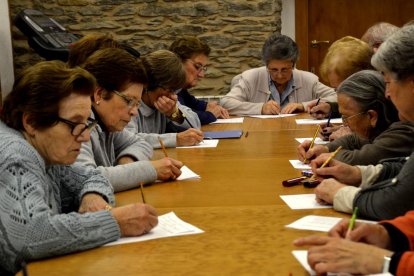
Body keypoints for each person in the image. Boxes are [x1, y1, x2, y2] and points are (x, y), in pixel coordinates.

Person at [0, 61, 158, 275]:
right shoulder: (15, 153)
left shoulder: (45, 149)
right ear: (31, 121)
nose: (84, 137)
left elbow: (91, 177)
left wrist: (91, 195)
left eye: (86, 124)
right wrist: (115, 222)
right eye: (75, 124)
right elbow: (30, 235)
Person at [308, 25, 414, 221]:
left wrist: (340, 193)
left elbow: (396, 201)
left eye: (388, 81)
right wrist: (358, 173)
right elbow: (404, 168)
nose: (387, 93)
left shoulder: (405, 128)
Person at [76, 48, 183, 192]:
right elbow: (84, 179)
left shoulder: (107, 122)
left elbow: (140, 143)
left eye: (137, 103)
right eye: (129, 101)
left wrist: (128, 162)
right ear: (99, 94)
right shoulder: (77, 123)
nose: (134, 112)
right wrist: (149, 170)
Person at [298, 70, 414, 166]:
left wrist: (327, 156)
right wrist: (325, 149)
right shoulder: (378, 127)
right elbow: (355, 139)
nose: (344, 124)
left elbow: (364, 158)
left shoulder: (404, 131)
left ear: (372, 116)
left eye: (347, 117)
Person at [220, 33, 336, 115]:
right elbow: (226, 103)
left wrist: (303, 106)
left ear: (294, 65)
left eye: (285, 69)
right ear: (266, 65)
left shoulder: (308, 80)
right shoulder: (251, 78)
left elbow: (338, 97)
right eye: (274, 70)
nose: (279, 75)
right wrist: (260, 108)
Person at [127, 49, 204, 148]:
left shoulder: (168, 100)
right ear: (148, 83)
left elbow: (196, 125)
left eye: (175, 90)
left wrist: (174, 114)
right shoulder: (130, 103)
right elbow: (129, 139)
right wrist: (175, 139)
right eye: (169, 89)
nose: (173, 96)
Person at [308, 36, 374, 141]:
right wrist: (332, 110)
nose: (338, 96)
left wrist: (352, 138)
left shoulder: (383, 104)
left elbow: (380, 144)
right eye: (336, 90)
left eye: (342, 89)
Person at [169, 36, 229, 125]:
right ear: (178, 61)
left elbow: (193, 104)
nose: (201, 75)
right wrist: (210, 114)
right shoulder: (165, 88)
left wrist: (208, 107)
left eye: (203, 69)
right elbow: (184, 118)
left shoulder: (180, 89)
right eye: (197, 67)